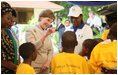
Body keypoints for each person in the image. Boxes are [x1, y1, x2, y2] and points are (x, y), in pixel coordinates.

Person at [25, 9, 55, 74]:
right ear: (41, 17)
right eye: (48, 20)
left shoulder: (47, 32)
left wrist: (48, 62)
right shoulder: (30, 30)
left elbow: (50, 50)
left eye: (51, 22)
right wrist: (45, 35)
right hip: (34, 68)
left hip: (46, 68)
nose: (49, 24)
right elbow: (32, 48)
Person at [1, 2, 19, 74]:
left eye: (12, 20)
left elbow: (16, 51)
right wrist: (16, 68)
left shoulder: (9, 32)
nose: (10, 22)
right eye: (8, 19)